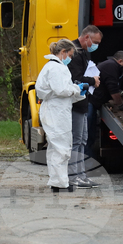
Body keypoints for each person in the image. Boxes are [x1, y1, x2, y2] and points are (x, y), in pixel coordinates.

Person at [36, 39, 85, 193]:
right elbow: (62, 90)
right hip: (56, 112)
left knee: (55, 147)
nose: (70, 58)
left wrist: (76, 91)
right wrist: (77, 89)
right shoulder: (57, 68)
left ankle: (57, 181)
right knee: (62, 147)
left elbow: (60, 91)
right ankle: (60, 183)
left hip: (55, 109)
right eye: (69, 54)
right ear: (63, 52)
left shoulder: (51, 67)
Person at [66, 25, 102, 188]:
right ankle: (74, 175)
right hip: (75, 102)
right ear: (86, 37)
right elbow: (76, 78)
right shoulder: (74, 53)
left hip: (82, 101)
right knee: (76, 140)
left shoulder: (84, 52)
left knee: (82, 140)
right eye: (94, 42)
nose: (96, 45)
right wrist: (92, 80)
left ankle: (81, 174)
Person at [87, 51, 123, 156]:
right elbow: (113, 89)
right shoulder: (111, 67)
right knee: (88, 132)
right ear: (120, 61)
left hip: (94, 102)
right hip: (90, 102)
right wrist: (121, 105)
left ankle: (87, 158)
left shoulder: (116, 69)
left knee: (91, 131)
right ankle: (86, 160)